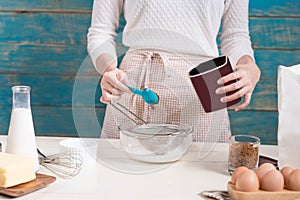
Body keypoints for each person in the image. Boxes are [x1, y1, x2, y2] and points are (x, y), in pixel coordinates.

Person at [87, 0, 261, 142]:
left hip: (202, 88)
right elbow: (101, 31)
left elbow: (235, 36)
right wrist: (109, 69)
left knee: (203, 177)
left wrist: (248, 65)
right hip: (134, 83)